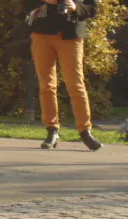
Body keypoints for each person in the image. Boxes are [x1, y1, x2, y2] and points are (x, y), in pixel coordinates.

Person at [25, 0, 103, 151]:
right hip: (42, 34)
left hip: (71, 36)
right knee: (46, 85)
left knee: (75, 84)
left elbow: (92, 9)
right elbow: (26, 5)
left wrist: (75, 7)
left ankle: (85, 131)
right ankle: (52, 130)